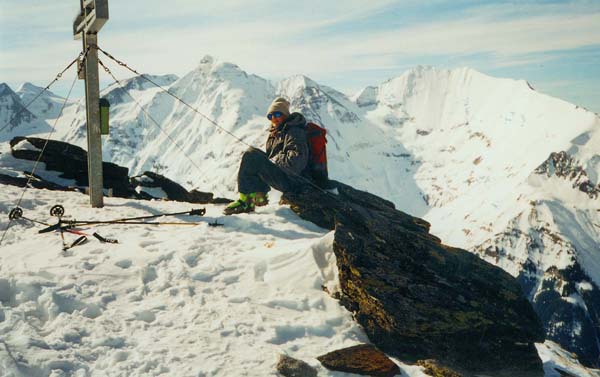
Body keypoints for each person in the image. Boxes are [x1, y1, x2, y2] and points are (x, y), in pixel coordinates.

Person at [224, 97, 309, 215]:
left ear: (285, 115)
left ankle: (246, 201)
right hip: (289, 178)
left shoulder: (294, 132)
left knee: (252, 155)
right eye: (270, 116)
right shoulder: (277, 133)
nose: (274, 118)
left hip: (295, 181)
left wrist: (275, 159)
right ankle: (258, 196)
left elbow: (295, 163)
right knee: (253, 157)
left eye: (277, 114)